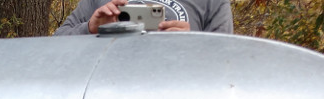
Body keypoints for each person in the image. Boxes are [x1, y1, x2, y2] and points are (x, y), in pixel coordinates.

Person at [54, 0, 233, 35]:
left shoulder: (213, 2)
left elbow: (226, 63)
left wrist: (191, 43)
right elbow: (57, 44)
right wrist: (90, 28)